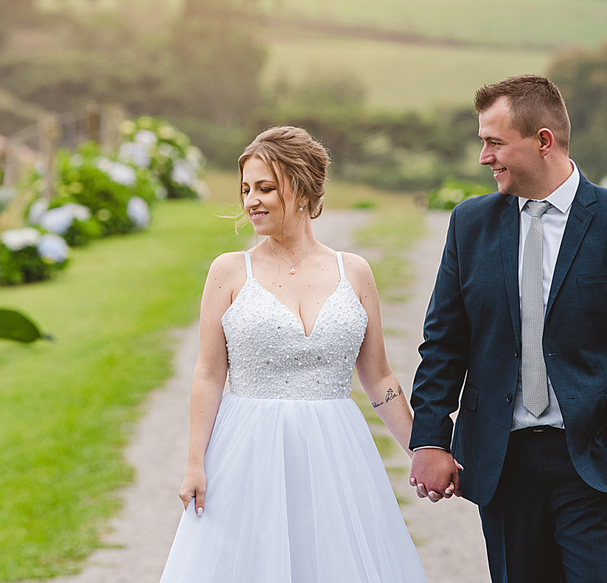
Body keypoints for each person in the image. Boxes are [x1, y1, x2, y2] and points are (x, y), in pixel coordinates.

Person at [408, 75, 607, 583]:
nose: (484, 157)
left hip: (600, 461)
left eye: (494, 143)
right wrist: (429, 439)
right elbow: (444, 343)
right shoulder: (469, 224)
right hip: (502, 464)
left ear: (543, 140)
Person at [159, 126, 428, 583]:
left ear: (303, 190)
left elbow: (379, 376)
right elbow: (208, 374)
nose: (251, 201)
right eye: (246, 189)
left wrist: (421, 450)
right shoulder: (229, 271)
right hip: (247, 451)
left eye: (265, 188)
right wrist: (195, 463)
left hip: (335, 452)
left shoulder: (354, 272)